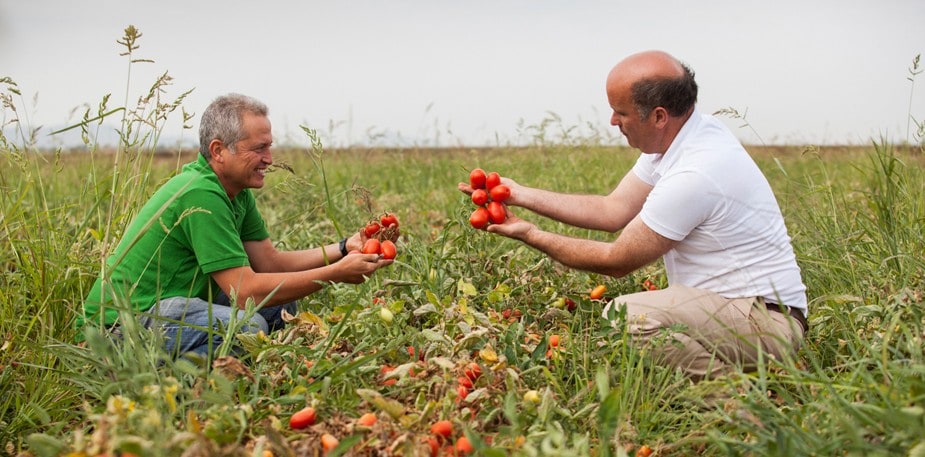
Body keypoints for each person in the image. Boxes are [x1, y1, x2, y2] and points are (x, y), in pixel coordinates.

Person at [459, 50, 807, 381]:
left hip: (766, 323)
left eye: (621, 112)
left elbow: (617, 260)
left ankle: (741, 403)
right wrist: (519, 195)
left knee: (627, 317)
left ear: (658, 116)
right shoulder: (684, 137)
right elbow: (613, 210)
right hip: (741, 310)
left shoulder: (696, 173)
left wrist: (531, 235)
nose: (612, 121)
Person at [78, 93, 394, 358]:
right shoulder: (200, 193)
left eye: (269, 146)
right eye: (259, 149)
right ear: (219, 151)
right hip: (120, 326)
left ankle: (233, 368)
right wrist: (336, 274)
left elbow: (270, 263)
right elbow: (244, 295)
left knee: (280, 305)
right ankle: (163, 383)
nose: (269, 159)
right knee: (248, 328)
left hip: (169, 305)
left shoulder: (235, 192)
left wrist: (343, 248)